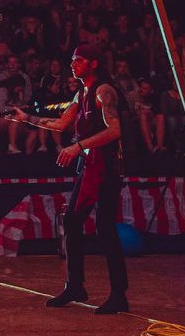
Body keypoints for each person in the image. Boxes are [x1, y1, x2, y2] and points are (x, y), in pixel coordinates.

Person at [15, 44, 129, 315]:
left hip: (107, 167)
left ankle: (118, 294)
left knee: (104, 227)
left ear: (93, 64)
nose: (73, 64)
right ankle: (75, 285)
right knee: (72, 220)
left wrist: (78, 146)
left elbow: (115, 130)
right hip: (89, 165)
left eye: (79, 60)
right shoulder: (82, 93)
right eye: (73, 59)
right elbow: (61, 124)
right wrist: (26, 119)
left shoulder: (104, 91)